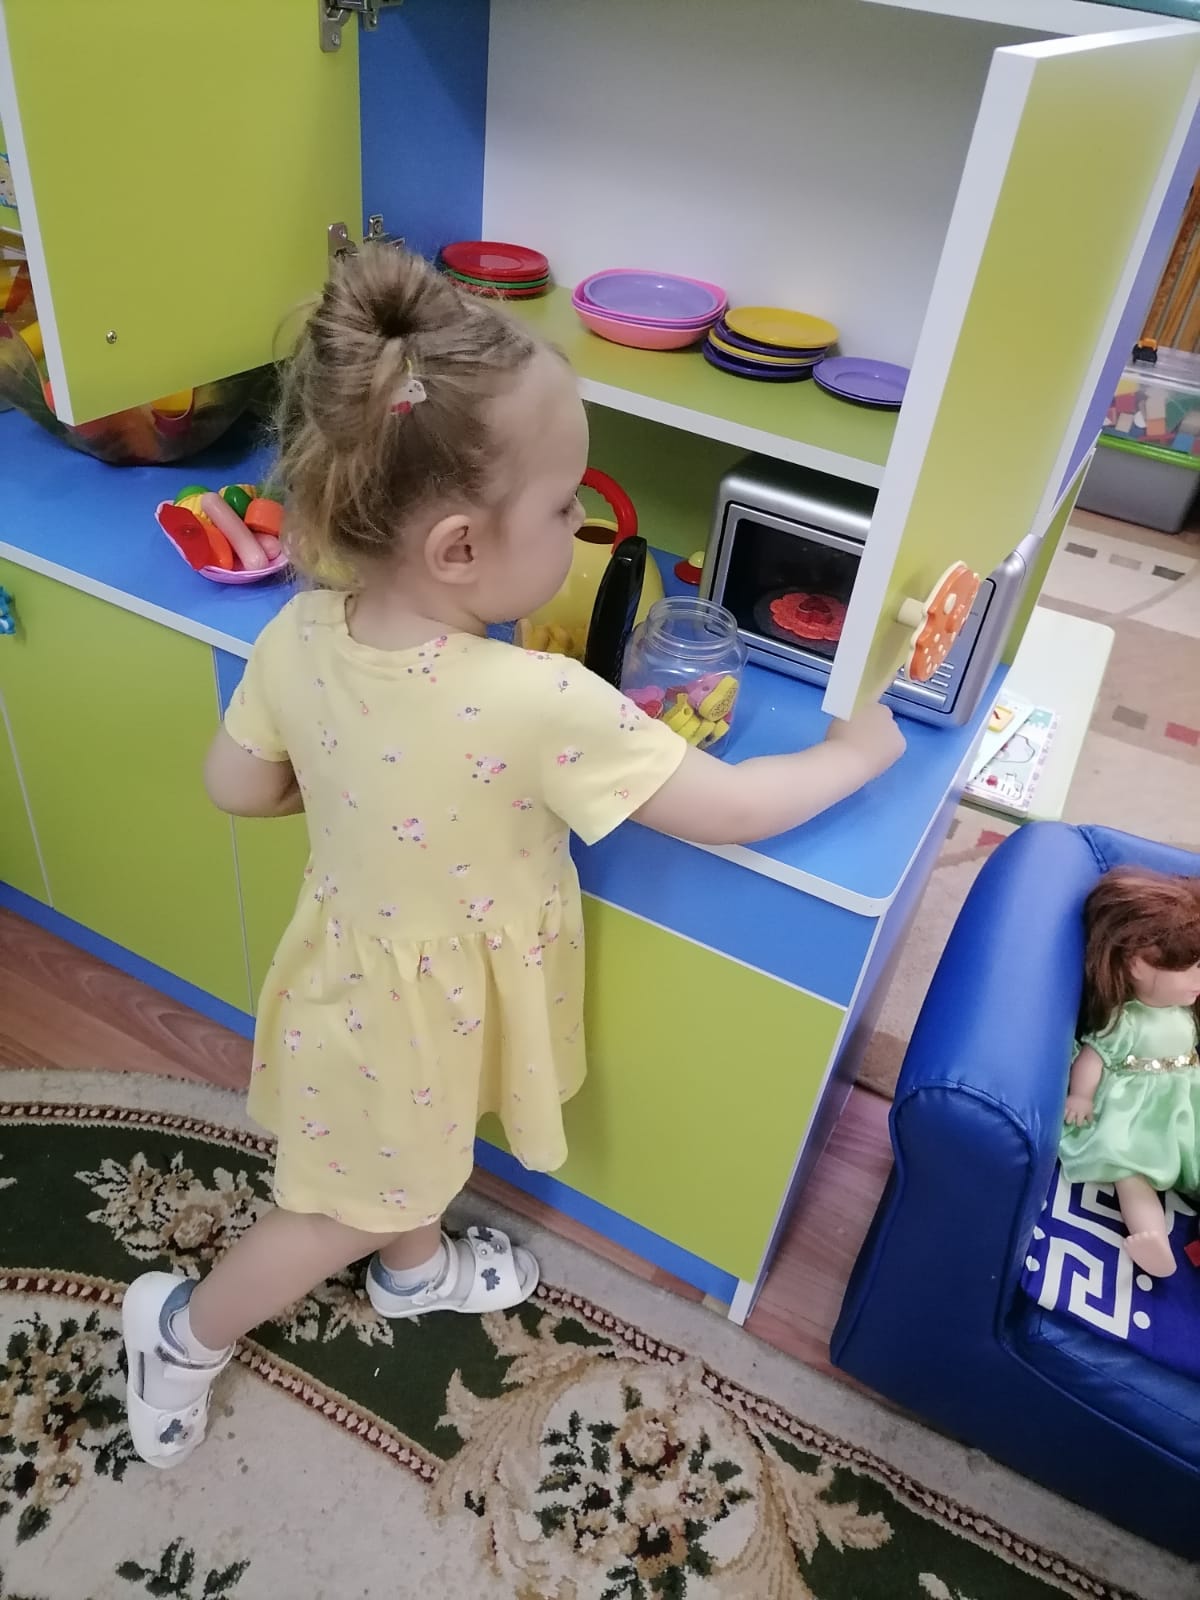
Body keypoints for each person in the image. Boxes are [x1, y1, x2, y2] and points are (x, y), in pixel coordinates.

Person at [122, 245, 905, 1467]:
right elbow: (736, 805)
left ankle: (415, 1269)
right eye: (563, 507)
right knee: (338, 1210)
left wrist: (341, 781)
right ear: (455, 549)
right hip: (405, 1014)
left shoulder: (301, 628)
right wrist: (859, 750)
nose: (581, 524)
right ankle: (180, 1329)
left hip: (359, 975)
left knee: (411, 1157)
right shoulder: (539, 699)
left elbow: (235, 783)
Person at [1060, 866, 1200, 1278]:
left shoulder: (1183, 1011)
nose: (1199, 979)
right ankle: (1151, 1237)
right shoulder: (1126, 1021)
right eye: (1191, 968)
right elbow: (1094, 1058)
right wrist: (1081, 1096)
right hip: (1137, 1108)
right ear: (1137, 965)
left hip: (1187, 1096)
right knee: (1128, 1172)